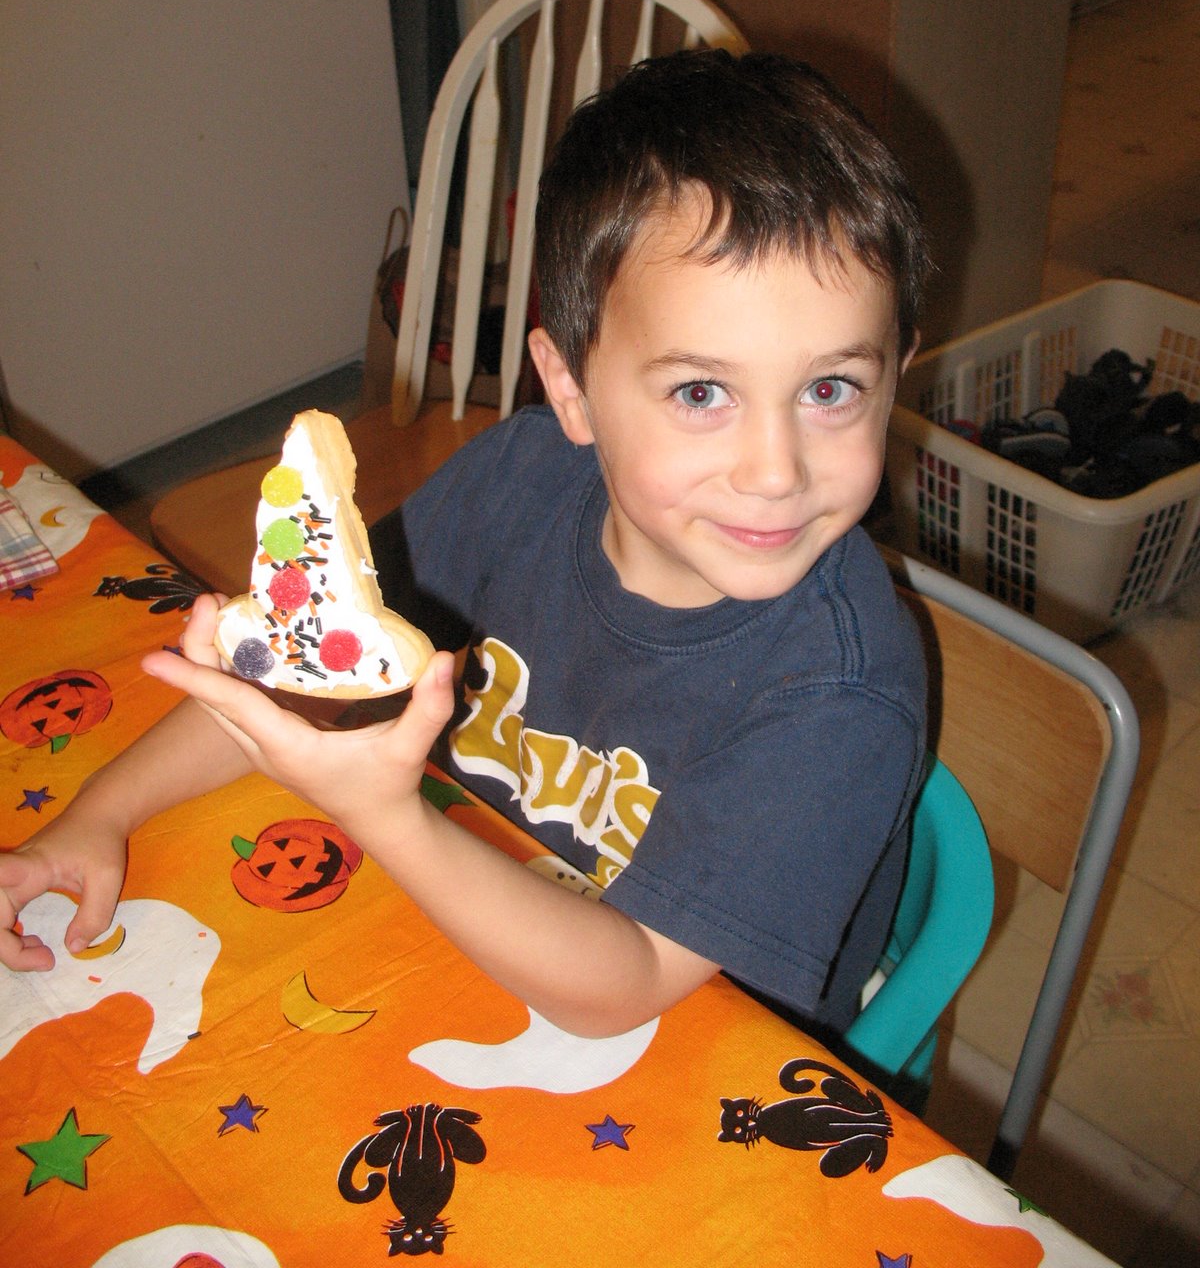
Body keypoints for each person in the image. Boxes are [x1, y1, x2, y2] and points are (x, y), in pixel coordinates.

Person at [0, 50, 930, 1044]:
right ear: (571, 390)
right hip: (459, 934)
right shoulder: (516, 480)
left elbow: (632, 985)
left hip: (686, 1047)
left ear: (894, 376)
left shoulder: (840, 691)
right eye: (702, 392)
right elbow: (314, 682)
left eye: (829, 389)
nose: (777, 470)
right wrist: (99, 813)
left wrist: (385, 813)